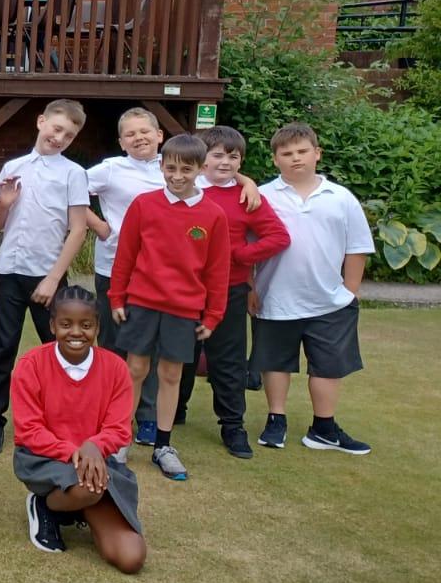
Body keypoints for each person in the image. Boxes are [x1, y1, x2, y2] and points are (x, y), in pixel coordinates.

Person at [108, 134, 230, 482]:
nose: (177, 176)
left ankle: (163, 445)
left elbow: (217, 270)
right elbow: (126, 255)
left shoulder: (213, 215)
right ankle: (120, 441)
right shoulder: (144, 204)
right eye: (171, 168)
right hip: (141, 302)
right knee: (135, 369)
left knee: (171, 375)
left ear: (201, 169)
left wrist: (213, 315)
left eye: (186, 170)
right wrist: (117, 297)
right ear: (161, 166)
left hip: (184, 308)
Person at [252, 122, 376, 455]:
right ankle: (276, 420)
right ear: (275, 159)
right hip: (274, 297)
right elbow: (244, 245)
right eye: (286, 153)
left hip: (330, 301)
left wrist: (350, 291)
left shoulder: (341, 198)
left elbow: (357, 246)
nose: (295, 158)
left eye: (302, 151)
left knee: (328, 365)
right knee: (276, 362)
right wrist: (250, 287)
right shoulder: (261, 196)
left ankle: (323, 428)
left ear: (317, 153)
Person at [0, 99, 89, 454]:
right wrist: (4, 204)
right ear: (41, 122)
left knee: (61, 348)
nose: (60, 138)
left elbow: (78, 229)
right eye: (57, 129)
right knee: (1, 348)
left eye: (68, 135)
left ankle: (63, 420)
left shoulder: (73, 173)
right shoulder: (14, 167)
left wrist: (53, 279)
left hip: (48, 274)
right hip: (10, 271)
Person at [11, 284, 146, 574]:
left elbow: (119, 428)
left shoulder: (116, 368)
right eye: (66, 324)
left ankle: (76, 506)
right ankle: (45, 504)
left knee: (131, 558)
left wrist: (95, 446)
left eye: (86, 325)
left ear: (97, 327)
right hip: (45, 458)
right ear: (52, 325)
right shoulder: (31, 365)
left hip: (97, 467)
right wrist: (78, 452)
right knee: (88, 487)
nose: (76, 332)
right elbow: (28, 431)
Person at [178, 126, 289, 458]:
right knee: (179, 353)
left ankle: (232, 425)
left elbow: (278, 237)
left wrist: (239, 255)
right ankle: (174, 410)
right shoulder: (185, 189)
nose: (225, 162)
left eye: (233, 156)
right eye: (217, 155)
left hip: (229, 289)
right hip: (183, 288)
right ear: (203, 159)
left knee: (227, 360)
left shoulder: (246, 197)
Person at [83, 108, 165, 358]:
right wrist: (98, 225)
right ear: (121, 143)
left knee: (152, 345)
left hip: (162, 269)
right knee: (114, 343)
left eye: (144, 131)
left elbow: (216, 175)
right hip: (115, 266)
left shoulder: (174, 166)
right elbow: (66, 190)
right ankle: (112, 384)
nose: (138, 137)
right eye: (130, 134)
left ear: (159, 135)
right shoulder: (111, 169)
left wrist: (245, 182)